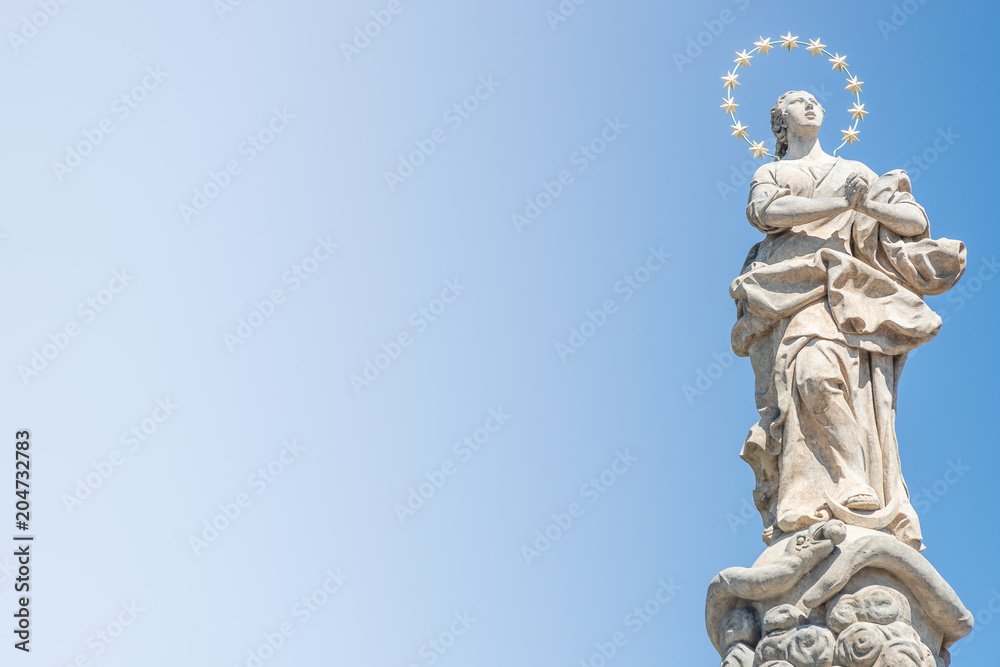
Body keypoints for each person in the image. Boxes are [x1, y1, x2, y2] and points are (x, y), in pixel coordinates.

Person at [731, 91, 966, 550]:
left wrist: (868, 205)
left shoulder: (855, 172)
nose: (811, 105)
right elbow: (764, 212)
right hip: (789, 290)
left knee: (833, 380)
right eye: (798, 102)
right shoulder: (774, 172)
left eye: (815, 100)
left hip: (847, 290)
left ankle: (855, 483)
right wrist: (841, 205)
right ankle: (814, 491)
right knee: (802, 381)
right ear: (780, 123)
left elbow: (913, 222)